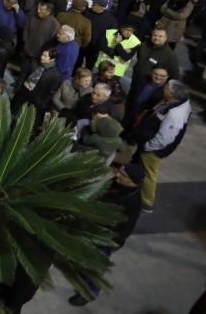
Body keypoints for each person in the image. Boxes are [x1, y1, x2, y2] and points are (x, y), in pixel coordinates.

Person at [66, 164, 146, 306]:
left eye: (123, 175)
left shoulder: (132, 201)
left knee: (95, 269)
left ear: (133, 182)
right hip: (91, 231)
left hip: (104, 239)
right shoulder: (116, 184)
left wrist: (112, 243)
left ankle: (89, 293)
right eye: (120, 171)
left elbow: (125, 228)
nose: (118, 175)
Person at [128, 79, 192, 212]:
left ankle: (146, 202)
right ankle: (133, 188)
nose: (164, 88)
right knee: (140, 166)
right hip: (148, 143)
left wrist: (147, 146)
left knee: (149, 174)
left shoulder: (175, 114)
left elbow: (164, 138)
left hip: (153, 149)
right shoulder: (173, 103)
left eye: (167, 88)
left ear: (173, 94)